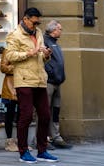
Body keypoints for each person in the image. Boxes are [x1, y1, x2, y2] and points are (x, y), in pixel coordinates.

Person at [5, 8, 58, 164]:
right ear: (25, 19)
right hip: (24, 80)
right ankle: (23, 152)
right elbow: (9, 56)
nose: (36, 25)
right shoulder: (14, 35)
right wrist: (30, 52)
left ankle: (42, 151)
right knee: (26, 116)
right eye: (34, 22)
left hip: (40, 80)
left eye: (38, 22)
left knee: (45, 115)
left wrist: (46, 54)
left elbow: (41, 57)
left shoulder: (39, 33)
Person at [44, 20, 71, 149]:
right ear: (53, 30)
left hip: (57, 82)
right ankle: (43, 138)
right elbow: (44, 61)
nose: (61, 31)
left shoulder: (55, 43)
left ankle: (56, 137)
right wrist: (51, 73)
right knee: (44, 111)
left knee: (55, 110)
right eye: (60, 29)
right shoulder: (45, 41)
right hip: (49, 82)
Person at [0, 47, 18, 151]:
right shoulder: (7, 50)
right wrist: (18, 67)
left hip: (23, 85)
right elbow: (3, 68)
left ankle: (21, 141)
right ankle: (9, 142)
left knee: (23, 115)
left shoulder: (25, 50)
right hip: (10, 87)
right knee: (9, 115)